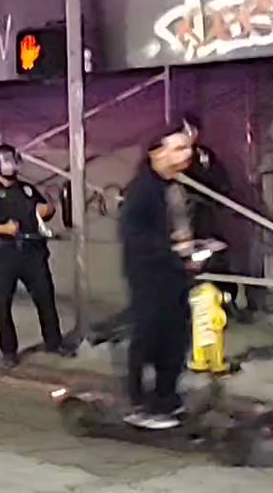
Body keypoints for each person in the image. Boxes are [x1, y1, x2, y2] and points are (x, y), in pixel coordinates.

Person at [119, 124, 201, 430]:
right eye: (178, 148)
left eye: (188, 147)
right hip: (150, 276)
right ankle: (140, 403)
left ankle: (166, 397)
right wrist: (172, 250)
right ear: (157, 152)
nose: (187, 154)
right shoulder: (142, 189)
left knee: (176, 338)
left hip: (175, 275)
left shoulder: (176, 186)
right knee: (149, 337)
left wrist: (194, 249)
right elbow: (134, 236)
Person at [0, 144, 73, 368]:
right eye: (5, 160)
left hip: (32, 253)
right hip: (4, 254)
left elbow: (41, 211)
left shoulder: (27, 189)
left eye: (12, 159)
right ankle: (9, 350)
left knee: (45, 297)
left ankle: (53, 342)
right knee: (3, 303)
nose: (10, 164)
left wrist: (48, 210)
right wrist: (0, 229)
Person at [182, 112, 257, 321]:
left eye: (192, 130)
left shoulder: (204, 155)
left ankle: (227, 299)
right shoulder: (172, 158)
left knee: (214, 254)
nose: (189, 135)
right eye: (185, 130)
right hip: (182, 221)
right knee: (187, 261)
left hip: (203, 218)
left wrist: (206, 170)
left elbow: (220, 184)